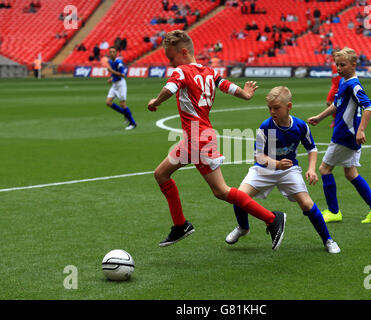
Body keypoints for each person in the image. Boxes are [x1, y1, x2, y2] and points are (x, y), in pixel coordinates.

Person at [147, 30, 286, 249]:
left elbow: (170, 88)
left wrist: (155, 101)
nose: (170, 63)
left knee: (221, 191)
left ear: (183, 52)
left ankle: (272, 218)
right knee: (161, 174)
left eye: (171, 57)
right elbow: (228, 87)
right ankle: (180, 225)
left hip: (199, 139)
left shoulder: (182, 71)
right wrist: (246, 94)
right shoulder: (210, 72)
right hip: (193, 138)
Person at [225, 86, 341, 254]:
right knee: (239, 197)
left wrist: (311, 169)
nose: (272, 112)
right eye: (270, 108)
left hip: (289, 170)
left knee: (307, 204)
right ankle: (243, 227)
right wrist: (276, 164)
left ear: (289, 106)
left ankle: (328, 240)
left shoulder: (300, 126)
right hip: (264, 169)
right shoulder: (266, 127)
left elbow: (312, 148)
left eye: (276, 108)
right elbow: (258, 157)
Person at [307, 47, 371, 224]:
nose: (339, 68)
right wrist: (320, 117)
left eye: (343, 65)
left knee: (324, 169)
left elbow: (369, 106)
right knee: (350, 173)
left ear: (353, 65)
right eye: (337, 65)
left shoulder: (353, 84)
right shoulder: (344, 82)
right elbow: (337, 105)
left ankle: (334, 211)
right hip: (348, 134)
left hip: (345, 135)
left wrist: (361, 130)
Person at [105, 46, 137, 130]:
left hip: (120, 85)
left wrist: (111, 72)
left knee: (122, 104)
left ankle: (133, 123)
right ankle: (126, 114)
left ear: (116, 53)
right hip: (115, 84)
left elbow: (123, 75)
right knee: (108, 102)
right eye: (110, 52)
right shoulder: (110, 61)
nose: (111, 53)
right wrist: (111, 78)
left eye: (113, 52)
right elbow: (115, 73)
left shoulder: (119, 62)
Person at [326, 51, 341, 128]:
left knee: (340, 104)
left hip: (340, 87)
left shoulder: (342, 64)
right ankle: (336, 118)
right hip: (334, 87)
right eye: (334, 55)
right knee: (328, 102)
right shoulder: (332, 63)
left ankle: (338, 120)